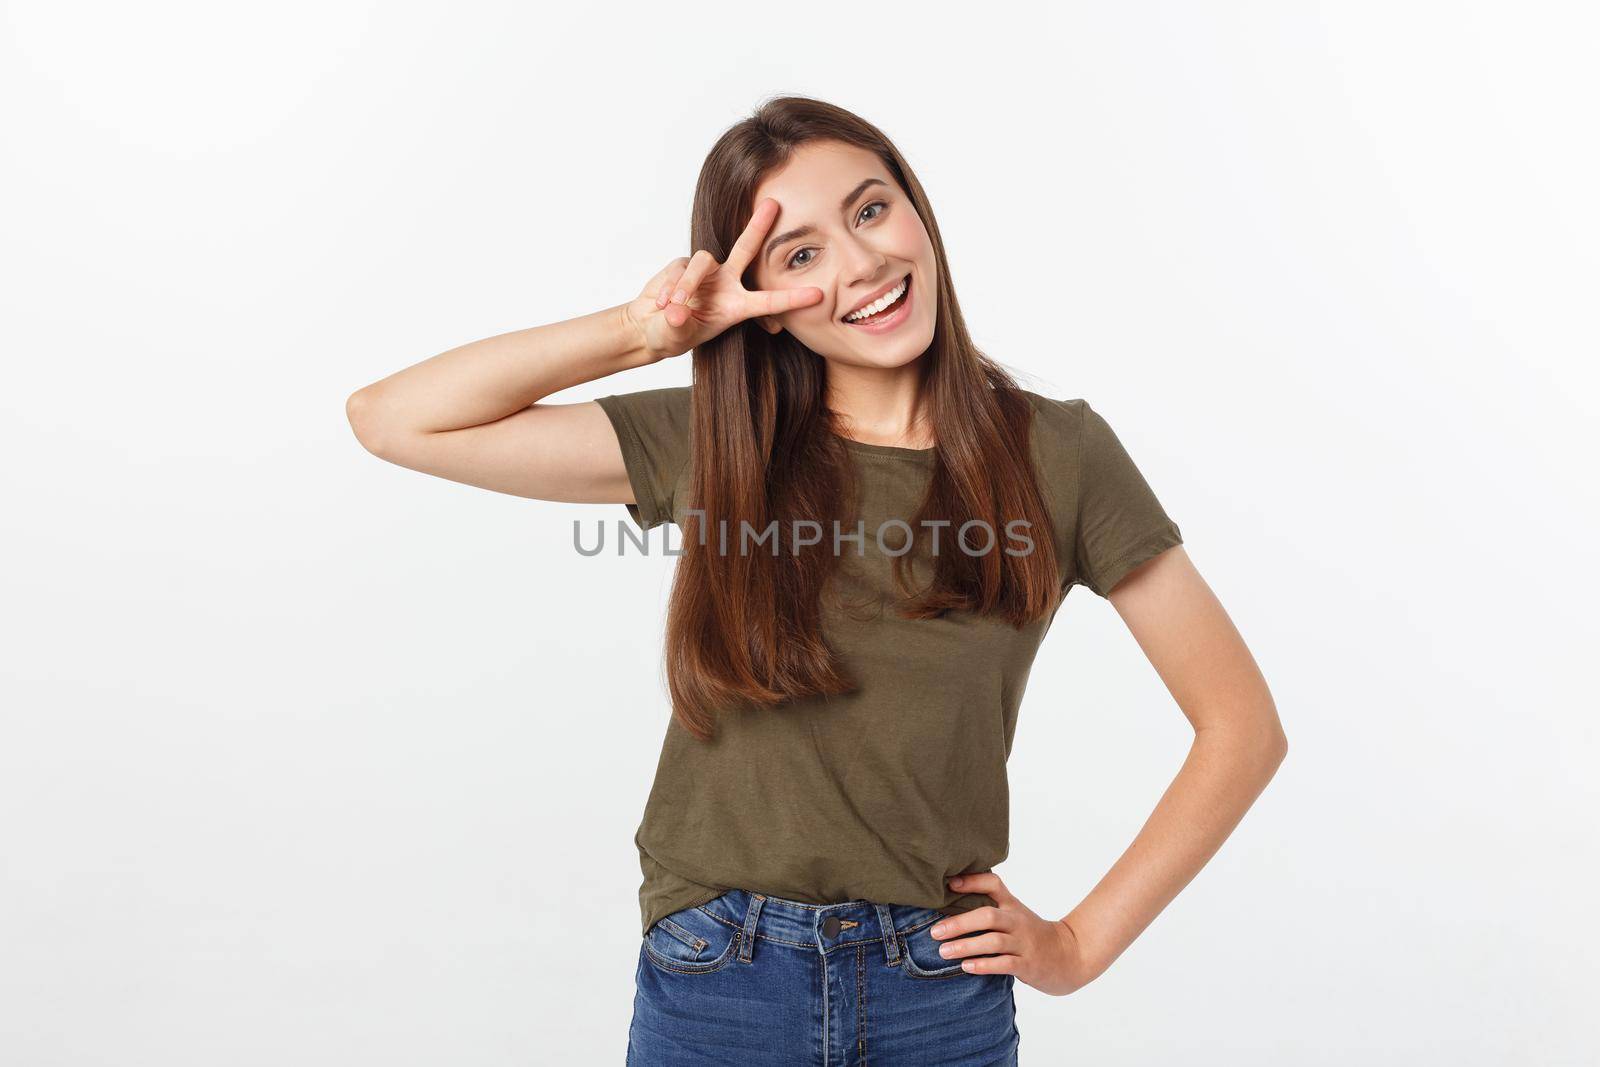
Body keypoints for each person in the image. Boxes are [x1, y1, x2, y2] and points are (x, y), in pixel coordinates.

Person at [345, 96, 1287, 1065]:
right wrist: (644, 331)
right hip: (720, 979)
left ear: (917, 212)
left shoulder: (1059, 453)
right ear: (761, 302)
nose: (862, 264)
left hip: (937, 989)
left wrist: (1079, 943)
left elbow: (1241, 725)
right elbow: (392, 418)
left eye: (870, 211)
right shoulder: (715, 444)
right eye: (800, 255)